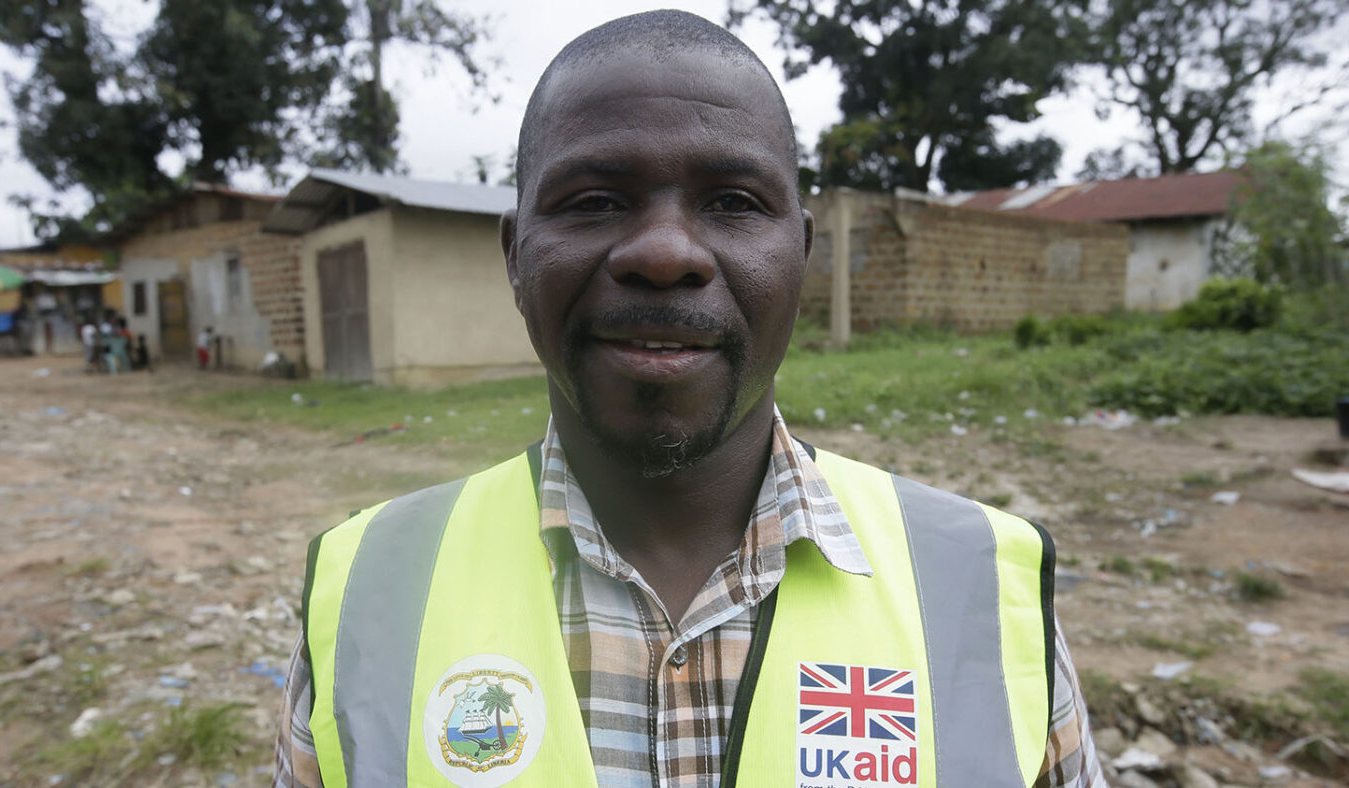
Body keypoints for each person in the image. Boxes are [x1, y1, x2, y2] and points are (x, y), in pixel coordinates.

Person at [274, 11, 1104, 788]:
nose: (665, 253)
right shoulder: (368, 592)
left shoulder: (979, 588)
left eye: (734, 203)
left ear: (801, 255)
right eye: (594, 200)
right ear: (515, 255)